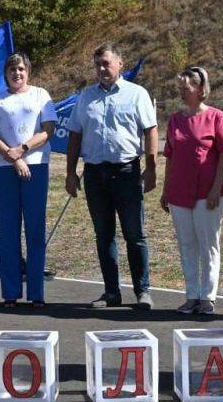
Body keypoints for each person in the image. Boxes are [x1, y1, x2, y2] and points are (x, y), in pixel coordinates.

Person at [65, 43, 159, 309]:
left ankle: (143, 291)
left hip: (127, 172)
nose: (102, 69)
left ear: (120, 63)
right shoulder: (85, 97)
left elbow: (150, 130)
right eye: (98, 64)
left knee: (135, 234)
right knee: (104, 235)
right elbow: (75, 134)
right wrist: (71, 173)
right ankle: (111, 292)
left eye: (106, 63)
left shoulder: (137, 94)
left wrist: (151, 168)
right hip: (95, 173)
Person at [0, 52, 56, 308]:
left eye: (22, 69)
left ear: (28, 72)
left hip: (35, 167)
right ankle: (10, 294)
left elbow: (48, 131)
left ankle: (36, 293)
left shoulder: (40, 95)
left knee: (35, 230)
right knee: (8, 231)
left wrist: (22, 150)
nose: (17, 73)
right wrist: (13, 158)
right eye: (13, 69)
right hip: (4, 169)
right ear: (6, 73)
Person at [160, 66, 223, 316]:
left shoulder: (216, 117)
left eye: (186, 87)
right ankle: (191, 295)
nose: (181, 92)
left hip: (208, 193)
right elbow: (170, 156)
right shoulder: (175, 120)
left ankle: (207, 296)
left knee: (208, 244)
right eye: (179, 88)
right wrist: (166, 190)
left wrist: (215, 188)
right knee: (187, 244)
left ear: (201, 89)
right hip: (179, 193)